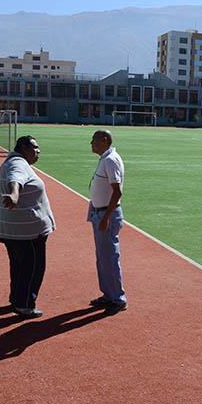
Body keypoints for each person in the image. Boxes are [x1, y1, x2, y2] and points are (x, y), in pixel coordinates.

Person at [0, 135, 55, 318]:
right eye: (34, 147)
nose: (38, 151)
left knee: (19, 266)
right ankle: (25, 305)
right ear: (22, 148)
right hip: (27, 232)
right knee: (33, 267)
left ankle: (17, 299)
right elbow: (16, 179)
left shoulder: (11, 162)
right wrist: (14, 194)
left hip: (13, 229)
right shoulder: (18, 164)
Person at [87, 129, 127, 315]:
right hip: (100, 212)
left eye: (94, 140)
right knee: (102, 259)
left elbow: (117, 192)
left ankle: (118, 299)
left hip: (106, 215)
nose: (91, 143)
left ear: (104, 140)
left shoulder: (110, 160)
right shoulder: (105, 158)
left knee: (110, 258)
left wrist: (105, 217)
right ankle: (108, 295)